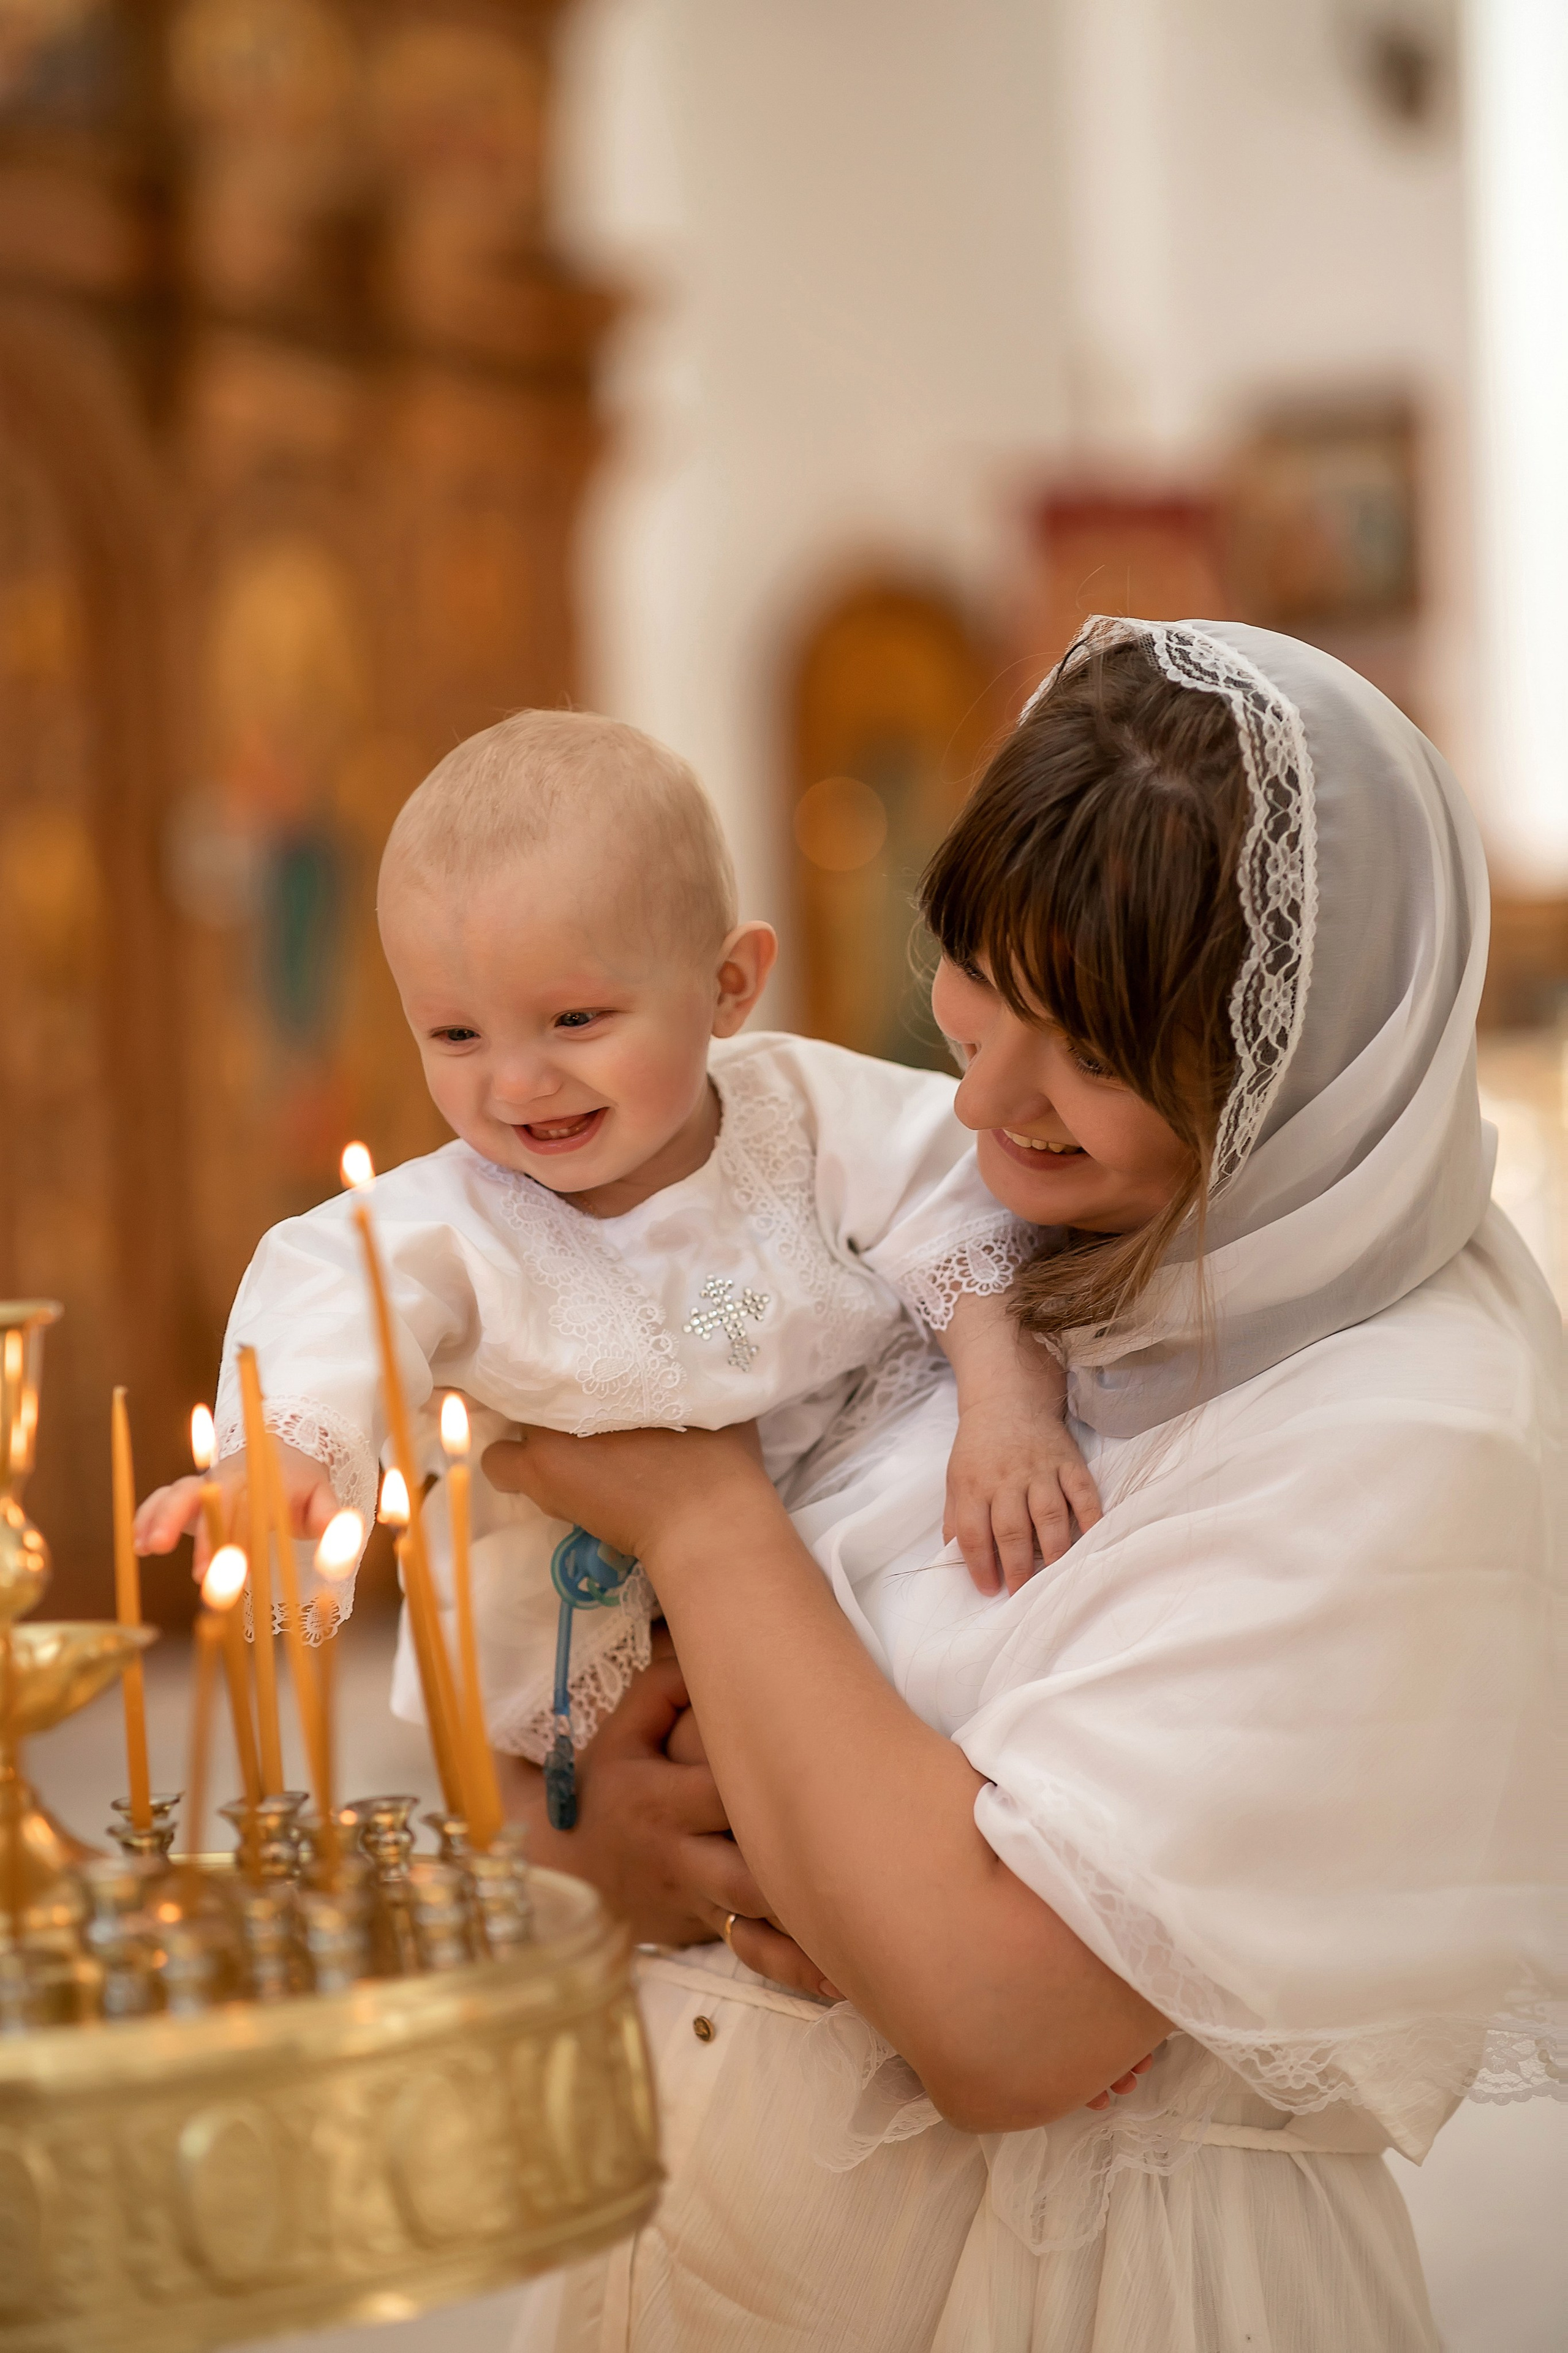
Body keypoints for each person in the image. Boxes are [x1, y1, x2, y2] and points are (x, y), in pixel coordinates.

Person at [486, 620, 1565, 2351]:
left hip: (1097, 2289)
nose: (983, 1090)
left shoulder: (1407, 1413)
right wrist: (602, 1850)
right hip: (701, 2240)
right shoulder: (981, 1223)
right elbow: (589, 1677)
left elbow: (1002, 2020)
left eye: (1093, 1049)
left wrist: (699, 1508)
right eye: (980, 979)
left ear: (1299, 1049)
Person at [133, 710, 1097, 1767]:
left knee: (969, 1590)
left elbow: (956, 1205)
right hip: (595, 1610)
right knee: (651, 1783)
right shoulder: (465, 1211)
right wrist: (279, 1455)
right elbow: (338, 1284)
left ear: (729, 986)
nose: (515, 1083)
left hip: (851, 1509)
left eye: (576, 1020)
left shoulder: (804, 1112)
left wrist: (1006, 1409)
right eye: (455, 1034)